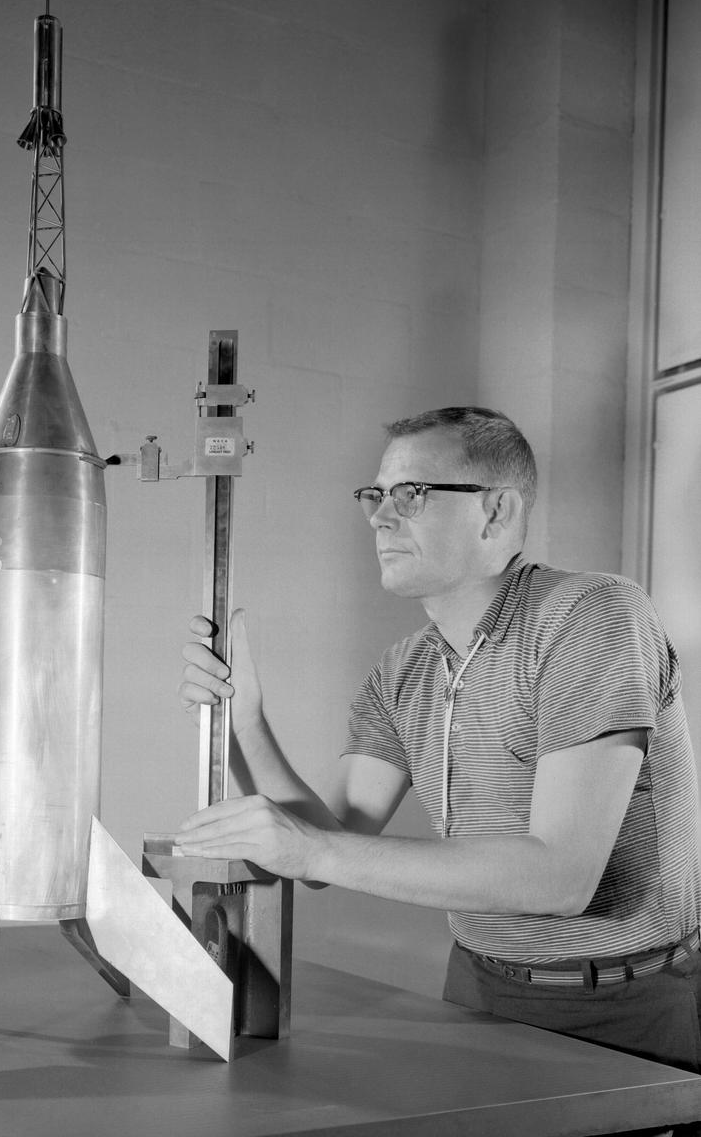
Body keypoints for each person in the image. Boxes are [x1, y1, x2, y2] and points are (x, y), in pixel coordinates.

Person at [176, 405, 701, 1074]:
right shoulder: (403, 671)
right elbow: (329, 832)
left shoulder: (591, 615)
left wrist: (311, 850)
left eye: (411, 494)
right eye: (375, 495)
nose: (378, 517)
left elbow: (559, 879)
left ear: (496, 512)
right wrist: (244, 722)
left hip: (626, 1002)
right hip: (477, 989)